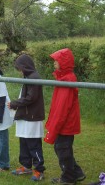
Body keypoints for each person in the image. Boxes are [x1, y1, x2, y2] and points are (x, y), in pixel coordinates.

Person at [44, 48, 86, 184]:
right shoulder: (64, 78)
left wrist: (55, 127)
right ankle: (77, 173)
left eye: (56, 61)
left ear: (64, 63)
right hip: (67, 122)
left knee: (62, 149)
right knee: (63, 148)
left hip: (66, 123)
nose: (54, 64)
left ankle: (68, 178)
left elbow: (62, 108)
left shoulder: (66, 81)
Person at [7, 54, 45, 181]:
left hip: (32, 117)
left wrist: (14, 103)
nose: (19, 71)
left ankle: (39, 170)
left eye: (20, 68)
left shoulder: (34, 77)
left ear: (25, 66)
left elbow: (31, 98)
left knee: (33, 144)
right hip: (25, 115)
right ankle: (26, 165)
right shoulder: (28, 76)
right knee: (23, 142)